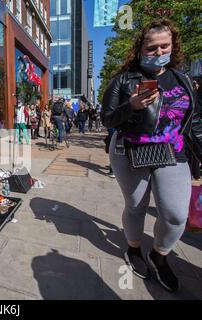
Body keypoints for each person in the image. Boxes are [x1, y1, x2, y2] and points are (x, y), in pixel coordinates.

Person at [101, 19, 202, 292]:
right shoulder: (123, 79)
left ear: (173, 46)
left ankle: (160, 255)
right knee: (136, 205)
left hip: (173, 152)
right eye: (152, 47)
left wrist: (200, 159)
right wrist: (131, 105)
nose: (158, 53)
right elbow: (108, 119)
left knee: (175, 215)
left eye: (164, 46)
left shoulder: (183, 80)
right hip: (130, 150)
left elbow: (195, 123)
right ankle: (134, 249)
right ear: (140, 49)